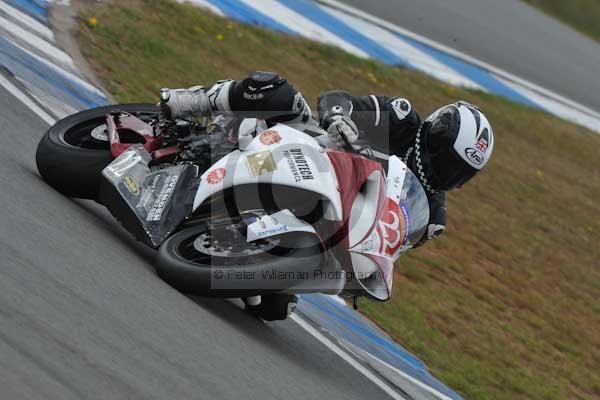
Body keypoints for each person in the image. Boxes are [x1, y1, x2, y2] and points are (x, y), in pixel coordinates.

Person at [159, 71, 494, 246]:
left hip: (330, 219)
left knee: (272, 305)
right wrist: (339, 120)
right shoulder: (401, 120)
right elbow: (337, 99)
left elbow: (386, 248)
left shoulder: (432, 214)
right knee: (277, 91)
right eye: (449, 162)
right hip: (311, 149)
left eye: (460, 173)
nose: (449, 175)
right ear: (434, 138)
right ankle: (193, 102)